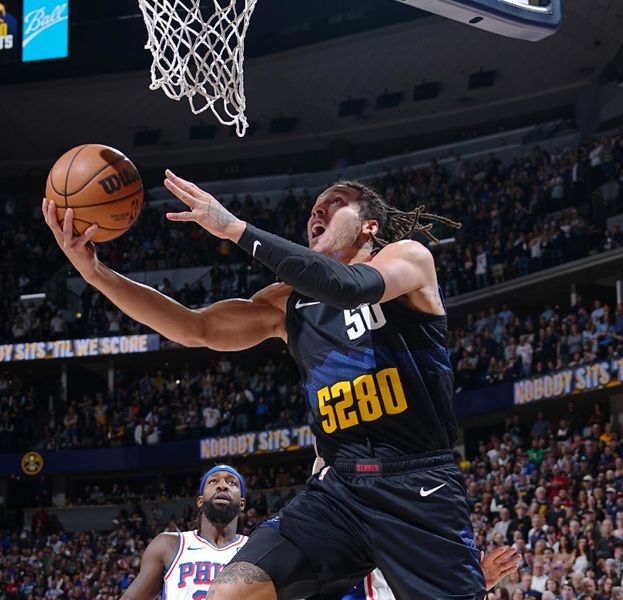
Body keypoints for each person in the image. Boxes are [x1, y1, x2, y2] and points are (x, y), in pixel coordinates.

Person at [42, 175, 493, 600]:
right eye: (313, 208)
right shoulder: (288, 302)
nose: (317, 212)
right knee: (233, 591)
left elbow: (350, 287)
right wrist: (96, 273)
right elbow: (194, 327)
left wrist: (235, 228)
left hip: (418, 484)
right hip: (340, 492)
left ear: (369, 225)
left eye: (334, 204)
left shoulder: (408, 259)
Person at [119, 465, 248, 600]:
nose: (222, 486)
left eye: (232, 482)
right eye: (213, 481)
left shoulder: (255, 548)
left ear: (242, 503)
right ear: (200, 500)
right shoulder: (169, 544)